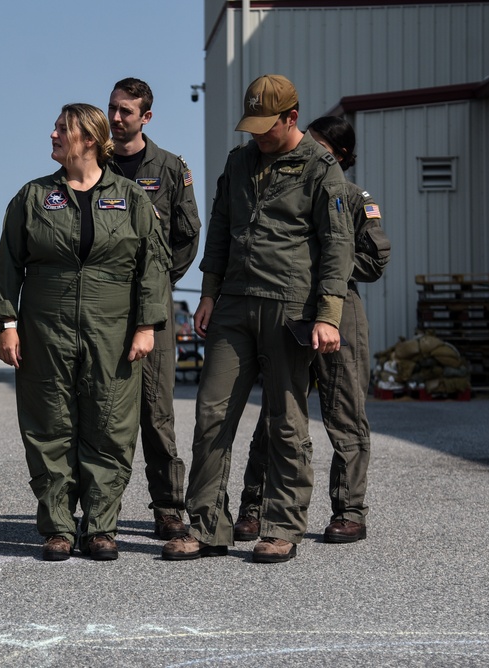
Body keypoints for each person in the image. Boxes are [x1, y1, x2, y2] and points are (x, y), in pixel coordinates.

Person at [161, 74, 353, 564]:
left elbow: (337, 246)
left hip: (290, 307)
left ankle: (282, 525)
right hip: (233, 305)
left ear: (292, 117)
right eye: (252, 126)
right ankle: (207, 527)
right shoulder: (239, 160)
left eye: (267, 127)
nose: (257, 136)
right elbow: (220, 229)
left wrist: (328, 315)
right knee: (212, 415)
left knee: (285, 421)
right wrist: (208, 293)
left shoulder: (320, 167)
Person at [0, 103, 171, 562]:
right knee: (49, 424)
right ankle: (57, 526)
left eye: (61, 129)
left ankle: (101, 527)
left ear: (88, 139)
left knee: (110, 425)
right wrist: (7, 324)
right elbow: (9, 262)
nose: (52, 135)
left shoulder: (130, 197)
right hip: (44, 326)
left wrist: (147, 325)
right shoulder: (32, 197)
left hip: (112, 325)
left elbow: (153, 265)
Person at [233, 115, 391, 545]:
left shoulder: (356, 197)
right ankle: (255, 505)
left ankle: (349, 511)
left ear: (338, 155)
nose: (306, 151)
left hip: (340, 310)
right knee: (277, 411)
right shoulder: (288, 187)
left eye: (319, 146)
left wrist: (324, 269)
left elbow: (376, 260)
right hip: (290, 308)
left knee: (345, 412)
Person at [107, 77, 202, 540]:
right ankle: (100, 509)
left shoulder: (168, 168)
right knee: (101, 409)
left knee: (155, 409)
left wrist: (160, 283)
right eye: (113, 108)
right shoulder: (94, 163)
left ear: (146, 117)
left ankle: (167, 507)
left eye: (126, 111)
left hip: (153, 306)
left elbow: (188, 235)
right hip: (102, 303)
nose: (117, 117)